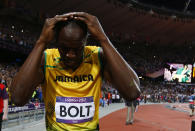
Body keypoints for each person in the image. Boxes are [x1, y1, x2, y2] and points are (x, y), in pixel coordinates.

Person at [10, 12, 140, 130]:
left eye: (78, 49)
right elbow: (18, 98)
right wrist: (41, 41)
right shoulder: (47, 58)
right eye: (64, 48)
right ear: (56, 42)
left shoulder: (97, 56)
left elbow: (132, 92)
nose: (70, 55)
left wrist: (103, 39)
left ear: (85, 42)